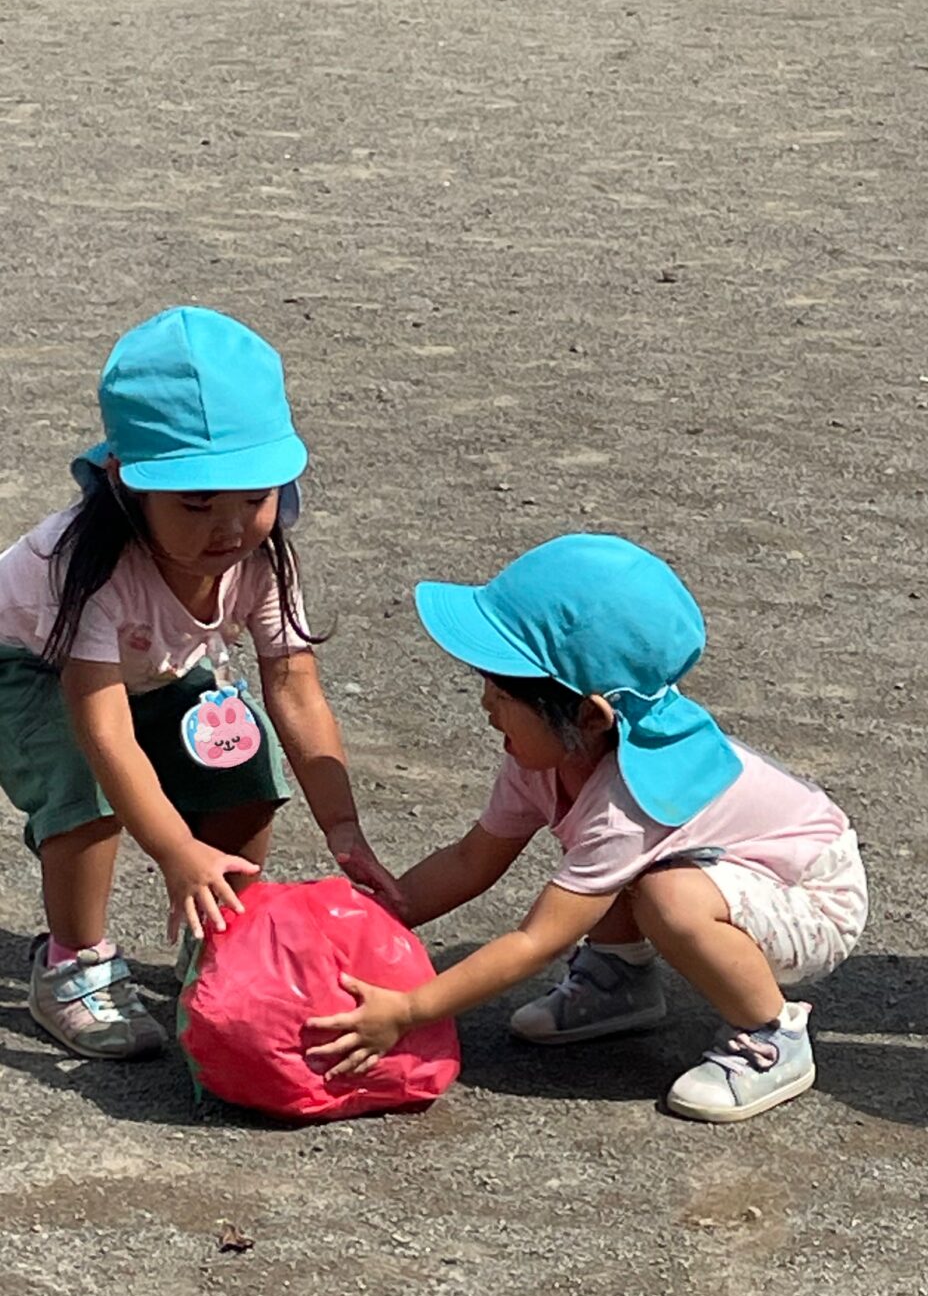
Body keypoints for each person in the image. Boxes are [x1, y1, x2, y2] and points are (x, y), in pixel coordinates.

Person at [305, 533, 868, 1122]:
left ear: (587, 715)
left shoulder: (629, 801)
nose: (485, 705)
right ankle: (619, 982)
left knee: (663, 895)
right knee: (625, 877)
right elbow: (473, 860)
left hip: (813, 895)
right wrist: (359, 925)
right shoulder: (542, 757)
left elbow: (536, 941)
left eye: (502, 690)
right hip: (733, 870)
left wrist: (409, 1010)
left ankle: (773, 1035)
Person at [0, 305, 399, 1060]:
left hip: (153, 671)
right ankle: (71, 962)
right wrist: (176, 846)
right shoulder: (87, 568)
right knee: (83, 785)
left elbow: (295, 688)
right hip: (30, 669)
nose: (230, 527)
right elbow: (105, 730)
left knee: (245, 764)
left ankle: (216, 938)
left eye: (255, 497)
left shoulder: (262, 559)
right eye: (195, 502)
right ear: (124, 485)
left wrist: (342, 826)